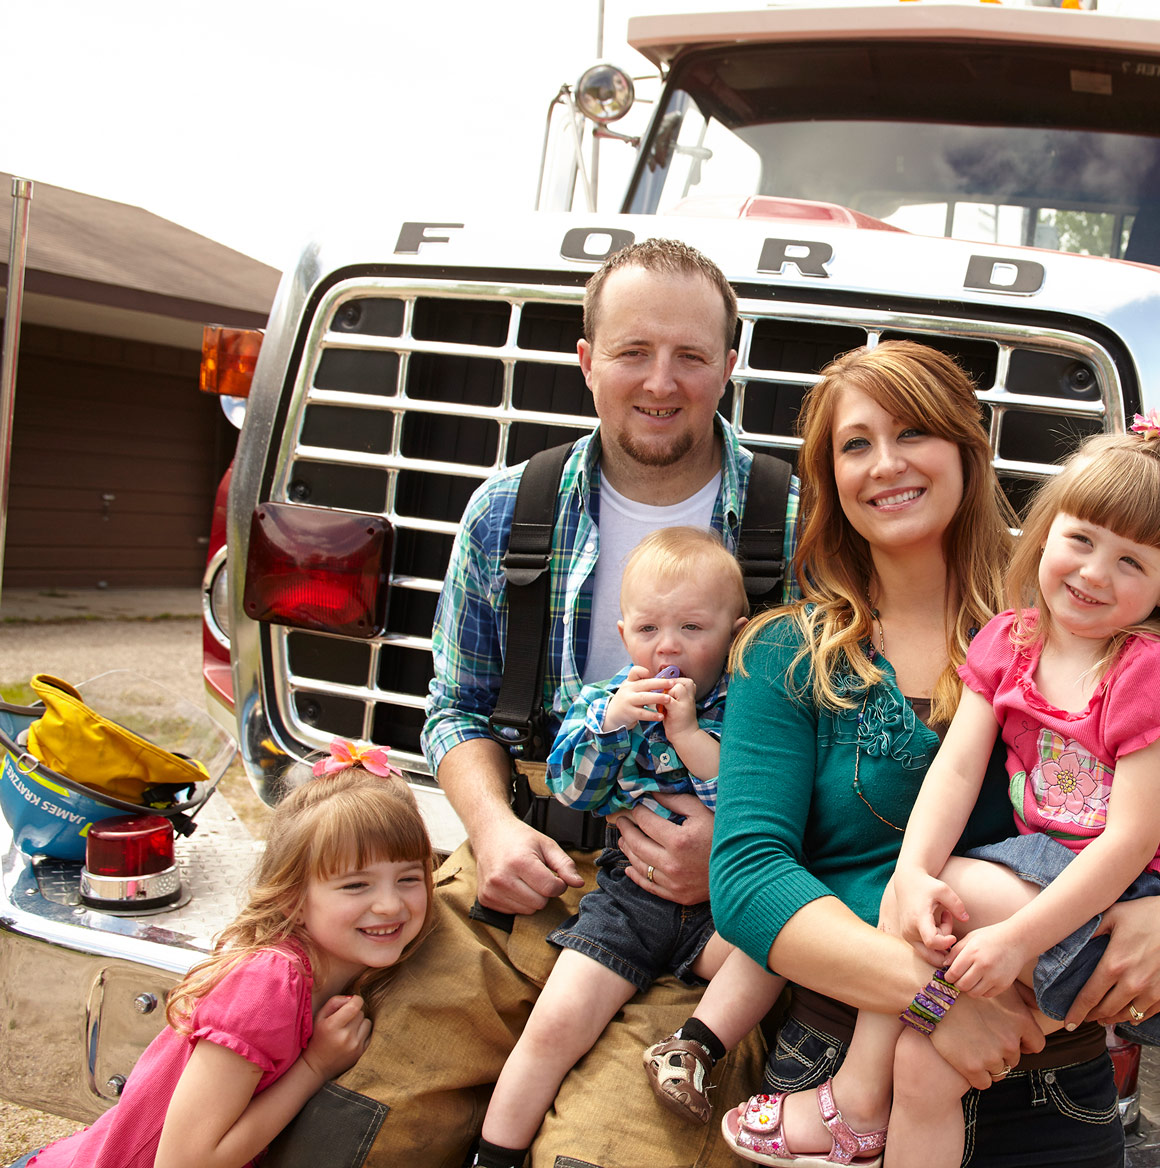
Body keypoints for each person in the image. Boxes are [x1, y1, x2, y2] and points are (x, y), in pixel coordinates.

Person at [269, 238, 799, 1168]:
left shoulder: (792, 527)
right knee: (341, 1130)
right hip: (519, 888)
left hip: (701, 926)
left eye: (691, 356)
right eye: (633, 353)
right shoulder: (512, 510)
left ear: (731, 361)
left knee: (603, 1159)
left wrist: (738, 852)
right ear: (588, 360)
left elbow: (842, 750)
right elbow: (455, 711)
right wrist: (495, 829)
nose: (662, 383)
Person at [710, 341, 1160, 1167]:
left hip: (1053, 1074)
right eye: (854, 444)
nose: (886, 464)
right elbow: (747, 878)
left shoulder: (1066, 627)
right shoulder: (786, 653)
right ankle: (855, 1112)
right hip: (844, 1055)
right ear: (827, 477)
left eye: (914, 432)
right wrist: (934, 999)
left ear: (965, 449)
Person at [474, 529, 784, 1167]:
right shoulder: (605, 703)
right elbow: (572, 789)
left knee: (777, 949)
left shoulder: (751, 704)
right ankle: (494, 1153)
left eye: (693, 627)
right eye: (648, 629)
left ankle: (691, 1046)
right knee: (555, 1025)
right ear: (623, 635)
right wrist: (611, 723)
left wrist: (691, 734)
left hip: (723, 902)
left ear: (736, 630)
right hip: (630, 892)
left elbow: (745, 801)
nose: (668, 646)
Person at [13, 757, 434, 1168]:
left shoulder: (342, 965)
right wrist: (314, 1066)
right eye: (356, 884)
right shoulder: (270, 983)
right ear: (293, 899)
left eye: (409, 878)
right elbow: (183, 1161)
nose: (389, 904)